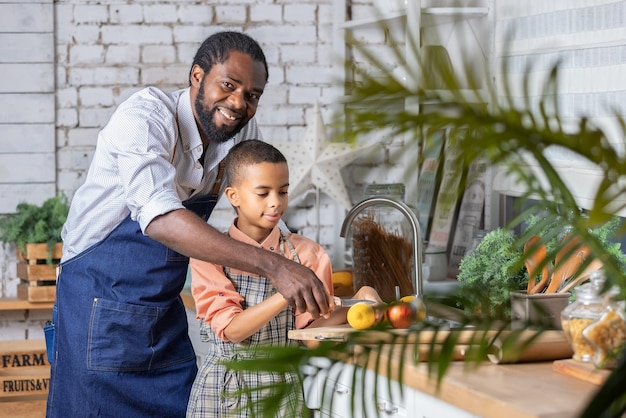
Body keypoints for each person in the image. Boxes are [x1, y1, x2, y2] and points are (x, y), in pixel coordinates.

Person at [46, 32, 332, 418]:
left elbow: (254, 207)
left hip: (162, 316)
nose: (238, 103)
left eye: (252, 95)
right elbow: (161, 220)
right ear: (197, 75)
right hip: (98, 304)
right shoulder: (144, 118)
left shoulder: (239, 132)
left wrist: (297, 253)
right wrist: (276, 266)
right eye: (228, 85)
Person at [186, 140, 382, 417]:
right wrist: (286, 290)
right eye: (263, 193)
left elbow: (311, 332)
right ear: (233, 195)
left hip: (283, 387)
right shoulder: (210, 254)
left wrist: (359, 302)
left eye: (283, 191)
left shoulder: (308, 253)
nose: (276, 202)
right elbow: (232, 331)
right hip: (226, 387)